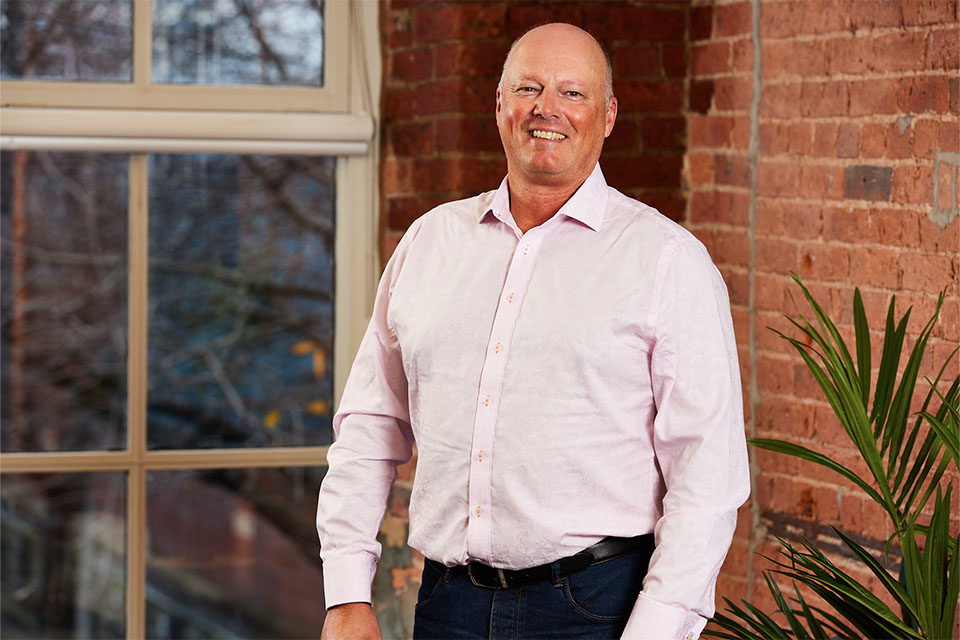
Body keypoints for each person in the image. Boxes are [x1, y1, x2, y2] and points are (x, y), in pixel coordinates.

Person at [317, 22, 750, 640]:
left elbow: (707, 473)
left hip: (597, 610)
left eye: (572, 93)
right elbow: (369, 427)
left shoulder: (666, 261)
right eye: (529, 88)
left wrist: (656, 630)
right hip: (447, 606)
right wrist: (345, 595)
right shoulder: (430, 243)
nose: (547, 109)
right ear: (500, 107)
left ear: (607, 115)